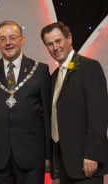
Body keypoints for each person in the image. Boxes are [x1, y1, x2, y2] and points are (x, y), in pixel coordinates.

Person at [0, 20, 51, 184]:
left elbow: (47, 114)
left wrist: (48, 154)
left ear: (22, 40)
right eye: (2, 39)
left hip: (31, 155)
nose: (8, 43)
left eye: (12, 37)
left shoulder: (40, 70)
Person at [41, 21, 108, 184]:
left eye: (58, 41)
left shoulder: (89, 68)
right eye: (49, 44)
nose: (55, 47)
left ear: (69, 38)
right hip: (64, 165)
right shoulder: (55, 75)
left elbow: (98, 115)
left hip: (86, 163)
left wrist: (92, 155)